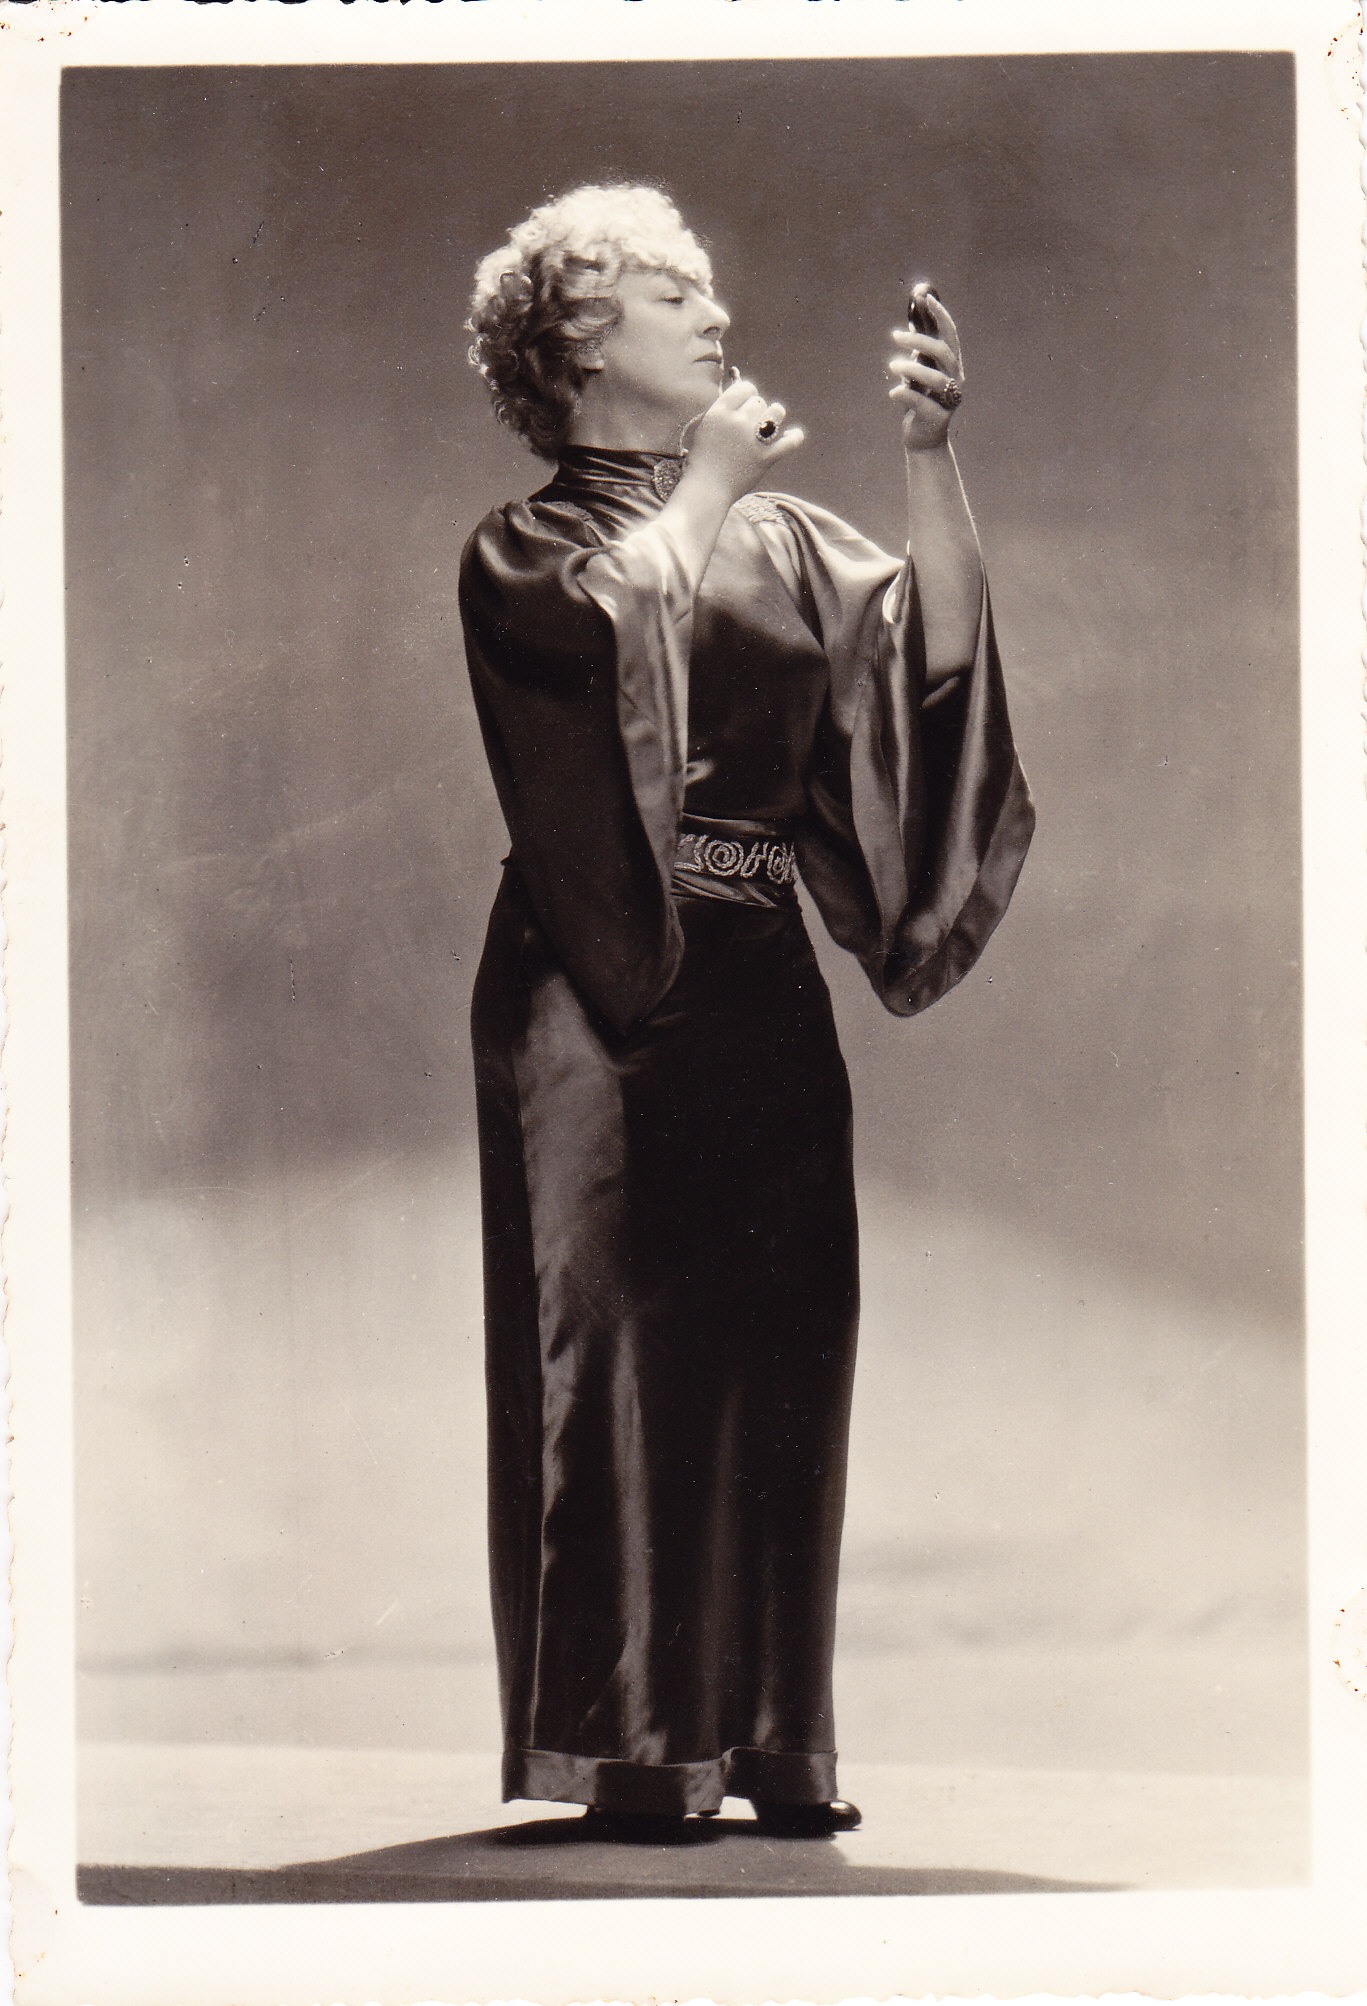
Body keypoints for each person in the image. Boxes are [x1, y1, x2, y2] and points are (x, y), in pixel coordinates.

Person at [459, 184, 1033, 1839]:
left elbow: (928, 658)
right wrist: (708, 482)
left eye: (707, 292)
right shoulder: (523, 550)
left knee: (787, 1342)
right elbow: (602, 651)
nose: (715, 316)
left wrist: (929, 457)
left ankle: (774, 1740)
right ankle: (637, 1750)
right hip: (600, 995)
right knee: (625, 1364)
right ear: (580, 346)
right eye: (672, 297)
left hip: (761, 976)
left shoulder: (781, 540)